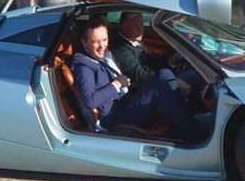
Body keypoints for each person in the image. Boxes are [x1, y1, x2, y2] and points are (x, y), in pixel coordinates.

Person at [70, 16, 203, 141]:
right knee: (163, 81)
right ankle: (195, 135)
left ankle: (188, 121)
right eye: (95, 42)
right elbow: (90, 101)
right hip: (115, 116)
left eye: (104, 40)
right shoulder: (84, 66)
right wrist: (117, 84)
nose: (102, 46)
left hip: (126, 100)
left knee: (165, 75)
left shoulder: (105, 55)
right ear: (84, 43)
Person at [111, 12, 203, 96]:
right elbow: (139, 76)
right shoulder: (120, 49)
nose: (140, 29)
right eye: (135, 26)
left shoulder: (133, 40)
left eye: (141, 24)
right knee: (196, 76)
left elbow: (151, 59)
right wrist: (173, 81)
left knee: (196, 70)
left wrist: (169, 61)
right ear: (123, 26)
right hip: (148, 89)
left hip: (157, 78)